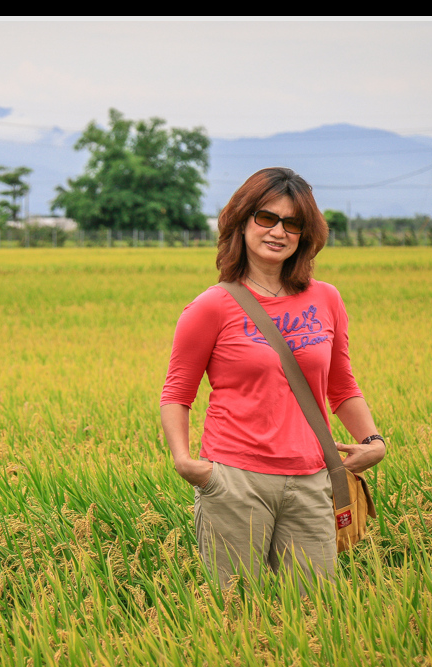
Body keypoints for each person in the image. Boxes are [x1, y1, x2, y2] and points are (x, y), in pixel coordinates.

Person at [159, 167, 385, 591]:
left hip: (312, 477)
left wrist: (374, 442)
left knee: (313, 610)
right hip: (235, 479)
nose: (279, 231)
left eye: (293, 223)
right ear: (242, 222)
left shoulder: (326, 298)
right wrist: (185, 462)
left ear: (305, 234)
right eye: (267, 218)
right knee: (235, 611)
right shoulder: (212, 306)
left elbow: (342, 384)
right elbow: (176, 392)